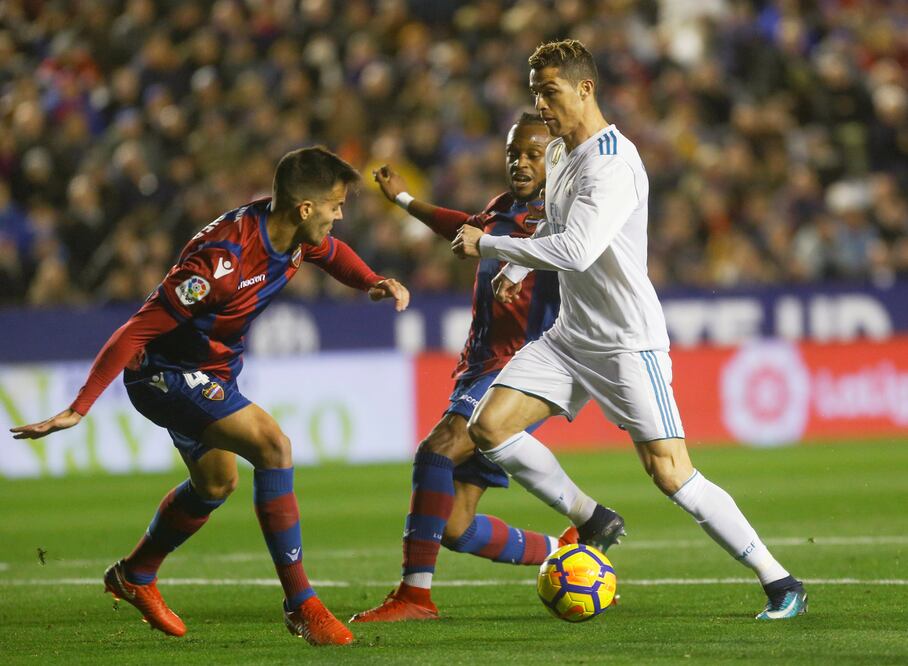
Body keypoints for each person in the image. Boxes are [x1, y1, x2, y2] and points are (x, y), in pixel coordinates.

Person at [453, 40, 808, 621]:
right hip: (571, 336)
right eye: (535, 92)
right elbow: (555, 222)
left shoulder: (614, 162)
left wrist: (490, 245)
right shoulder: (564, 152)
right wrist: (518, 265)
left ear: (585, 88)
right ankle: (590, 518)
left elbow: (578, 248)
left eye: (550, 91)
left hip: (626, 343)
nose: (540, 104)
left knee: (670, 473)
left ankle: (780, 580)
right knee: (488, 427)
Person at [11, 147, 410, 645]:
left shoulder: (294, 234)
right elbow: (136, 331)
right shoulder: (222, 263)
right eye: (335, 206)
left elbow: (331, 254)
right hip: (165, 374)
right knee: (274, 446)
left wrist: (372, 281)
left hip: (212, 370)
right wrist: (79, 408)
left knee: (216, 485)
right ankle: (301, 604)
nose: (340, 215)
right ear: (305, 208)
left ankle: (135, 575)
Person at [351, 113, 625, 623]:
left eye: (534, 154)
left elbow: (573, 252)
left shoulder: (560, 216)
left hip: (516, 367)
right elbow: (465, 228)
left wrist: (523, 265)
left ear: (557, 158)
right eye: (513, 154)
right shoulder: (504, 207)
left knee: (436, 451)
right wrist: (405, 201)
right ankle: (566, 548)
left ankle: (414, 597)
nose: (520, 162)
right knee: (454, 526)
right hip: (478, 365)